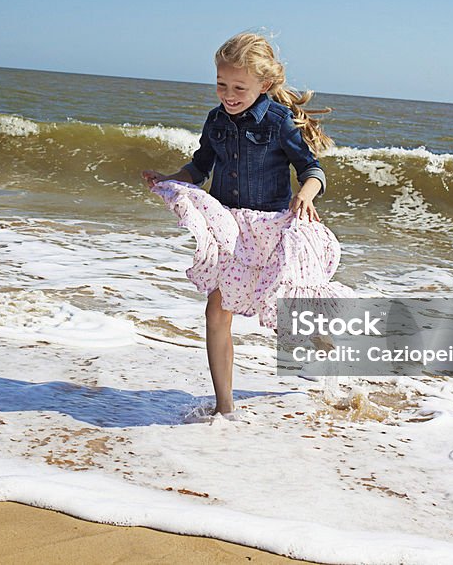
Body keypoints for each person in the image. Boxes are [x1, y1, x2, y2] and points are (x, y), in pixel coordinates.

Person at [142, 32, 350, 417]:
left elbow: (311, 168)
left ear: (264, 85)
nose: (228, 94)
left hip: (271, 229)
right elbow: (200, 166)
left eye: (239, 86)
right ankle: (225, 407)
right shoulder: (215, 120)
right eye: (222, 84)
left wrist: (305, 193)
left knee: (290, 314)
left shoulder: (278, 120)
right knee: (216, 312)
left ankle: (329, 361)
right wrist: (172, 179)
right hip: (229, 231)